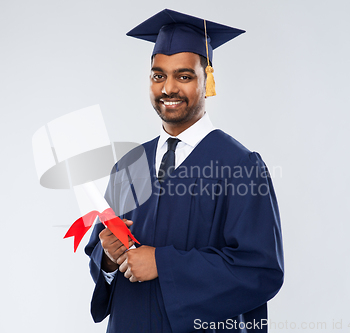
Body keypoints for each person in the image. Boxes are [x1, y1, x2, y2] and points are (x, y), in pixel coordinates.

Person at [85, 9, 284, 333]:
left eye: (184, 75)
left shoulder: (240, 166)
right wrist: (108, 257)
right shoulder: (129, 164)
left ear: (207, 78)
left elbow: (260, 271)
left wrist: (163, 263)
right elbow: (99, 252)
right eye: (158, 75)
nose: (168, 88)